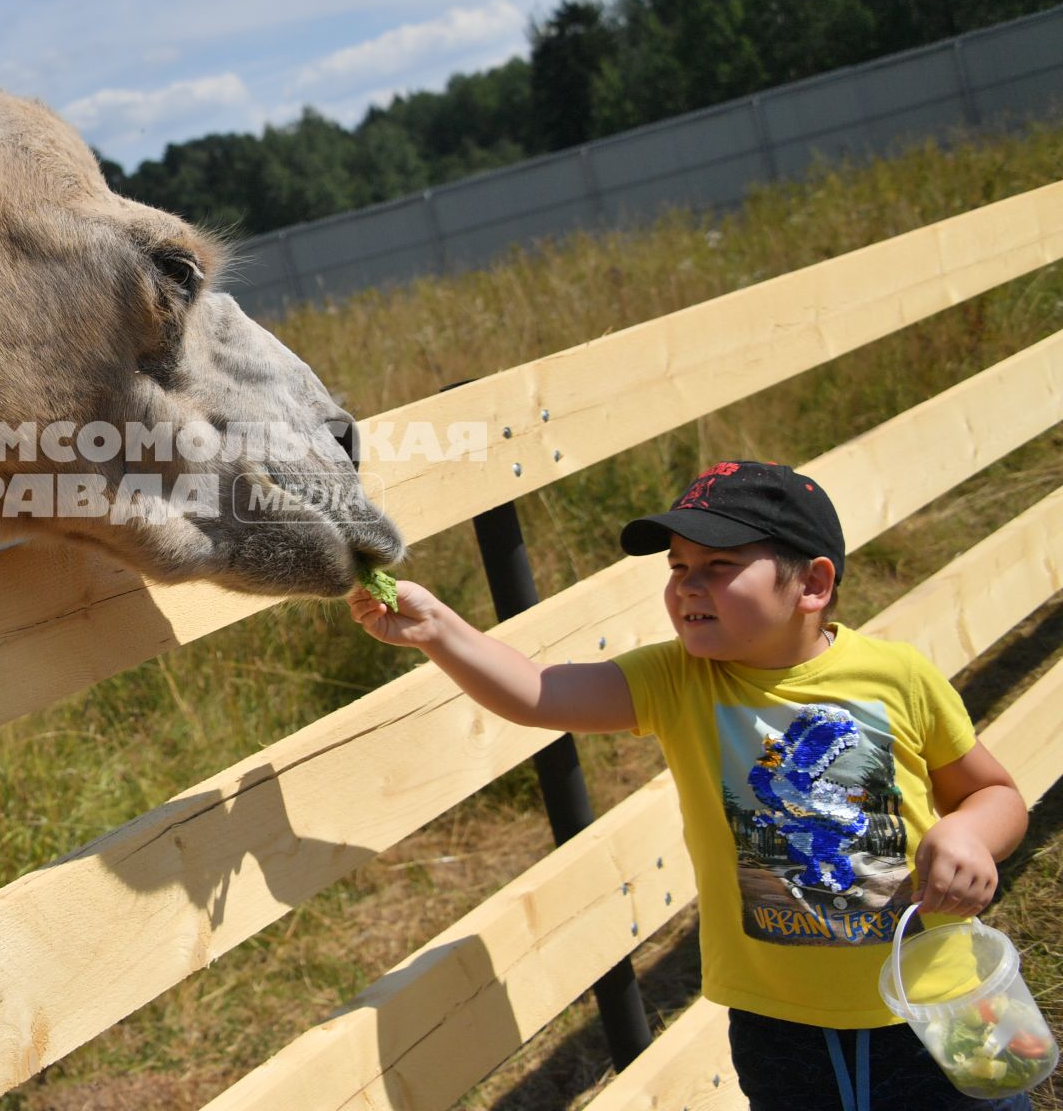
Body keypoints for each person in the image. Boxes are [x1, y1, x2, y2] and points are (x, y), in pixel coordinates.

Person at [348, 460, 1035, 1110]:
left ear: (813, 585)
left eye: (719, 566)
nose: (686, 586)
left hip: (942, 1000)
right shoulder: (678, 681)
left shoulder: (899, 677)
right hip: (778, 1023)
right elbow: (537, 693)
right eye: (678, 567)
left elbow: (995, 795)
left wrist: (967, 833)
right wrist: (439, 629)